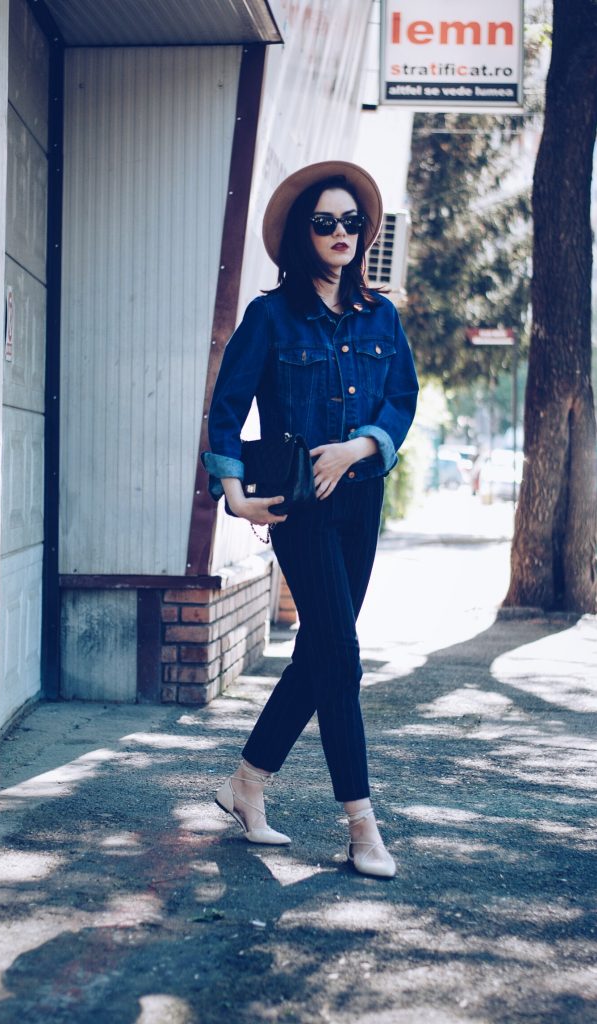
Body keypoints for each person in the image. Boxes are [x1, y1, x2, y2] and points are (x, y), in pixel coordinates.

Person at [201, 161, 419, 878]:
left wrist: (361, 446)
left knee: (320, 653)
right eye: (326, 222)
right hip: (299, 508)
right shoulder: (271, 316)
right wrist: (231, 491)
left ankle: (247, 785)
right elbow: (227, 409)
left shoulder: (382, 315)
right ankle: (362, 826)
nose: (341, 233)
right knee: (343, 660)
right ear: (304, 234)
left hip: (361, 503)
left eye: (352, 222)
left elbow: (401, 402)